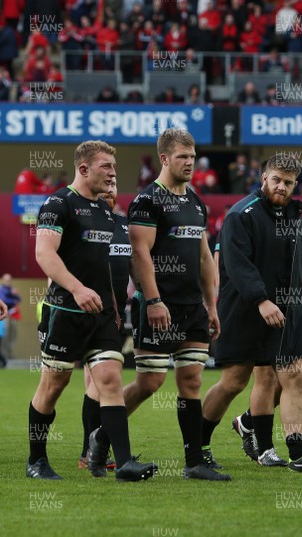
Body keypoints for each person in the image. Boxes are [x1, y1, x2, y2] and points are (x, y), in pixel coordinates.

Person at [88, 129, 230, 481]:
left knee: (192, 381)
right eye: (183, 157)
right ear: (164, 159)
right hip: (158, 306)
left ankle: (194, 462)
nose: (190, 163)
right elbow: (140, 254)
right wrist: (152, 300)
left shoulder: (197, 203)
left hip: (192, 307)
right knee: (150, 383)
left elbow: (203, 259)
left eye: (193, 157)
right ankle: (101, 437)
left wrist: (211, 306)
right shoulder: (148, 200)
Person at [27, 140, 157, 482]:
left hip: (101, 315)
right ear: (83, 169)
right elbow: (45, 254)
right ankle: (36, 460)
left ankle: (125, 462)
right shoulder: (58, 204)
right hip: (64, 311)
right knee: (53, 385)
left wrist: (114, 308)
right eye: (106, 168)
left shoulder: (104, 211)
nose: (113, 175)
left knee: (111, 380)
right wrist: (77, 288)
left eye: (114, 168)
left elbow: (102, 266)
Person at [201, 154, 302, 474]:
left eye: (288, 182)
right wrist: (261, 300)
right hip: (246, 309)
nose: (281, 187)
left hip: (288, 310)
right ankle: (198, 444)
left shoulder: (293, 215)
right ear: (263, 177)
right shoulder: (240, 214)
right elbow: (237, 265)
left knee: (294, 375)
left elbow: (297, 268)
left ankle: (298, 452)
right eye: (276, 179)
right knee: (234, 382)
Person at [79, 178, 135, 470]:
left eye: (116, 186)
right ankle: (88, 451)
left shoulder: (124, 226)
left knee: (100, 382)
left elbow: (133, 267)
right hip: (81, 309)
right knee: (85, 382)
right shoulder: (82, 220)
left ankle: (91, 450)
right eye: (107, 186)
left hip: (111, 311)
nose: (111, 190)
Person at [0, 274, 21, 360]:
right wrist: (13, 297)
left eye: (9, 280)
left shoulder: (11, 289)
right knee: (5, 335)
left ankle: (9, 354)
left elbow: (19, 299)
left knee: (13, 335)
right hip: (5, 315)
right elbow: (4, 300)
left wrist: (13, 295)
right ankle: (3, 355)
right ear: (3, 280)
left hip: (13, 315)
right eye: (7, 280)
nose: (8, 282)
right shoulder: (2, 289)